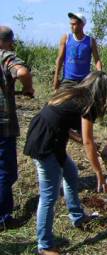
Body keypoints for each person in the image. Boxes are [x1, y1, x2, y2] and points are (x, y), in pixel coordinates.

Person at [23, 71, 107, 255]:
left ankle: (77, 216)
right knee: (49, 196)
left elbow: (61, 123)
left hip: (48, 136)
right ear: (101, 92)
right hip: (45, 143)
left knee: (71, 172)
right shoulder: (87, 104)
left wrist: (82, 140)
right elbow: (88, 141)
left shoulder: (72, 93)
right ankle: (45, 246)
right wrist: (99, 174)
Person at [0, 26, 34, 230]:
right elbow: (22, 71)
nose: (12, 45)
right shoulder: (5, 56)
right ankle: (3, 218)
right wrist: (27, 88)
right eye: (10, 41)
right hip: (3, 125)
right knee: (6, 172)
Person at [53, 12, 102, 90]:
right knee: (59, 101)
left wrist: (100, 74)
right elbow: (60, 59)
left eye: (74, 24)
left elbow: (97, 60)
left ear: (82, 25)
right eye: (71, 24)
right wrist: (56, 78)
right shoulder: (66, 38)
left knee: (89, 101)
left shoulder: (90, 41)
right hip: (68, 80)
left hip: (85, 81)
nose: (71, 26)